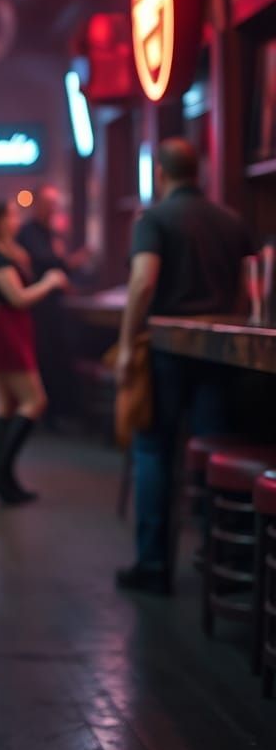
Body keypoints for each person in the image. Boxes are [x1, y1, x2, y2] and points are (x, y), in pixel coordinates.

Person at [114, 139, 254, 595]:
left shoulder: (154, 219)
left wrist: (124, 343)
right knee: (214, 455)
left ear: (161, 174)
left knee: (155, 452)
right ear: (200, 172)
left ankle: (154, 566)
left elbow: (142, 282)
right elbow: (250, 290)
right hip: (220, 355)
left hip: (167, 351)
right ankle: (225, 566)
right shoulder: (231, 221)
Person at [0, 200, 68, 505]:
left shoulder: (1, 251)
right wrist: (50, 282)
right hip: (9, 332)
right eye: (11, 214)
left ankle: (4, 479)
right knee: (35, 401)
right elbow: (19, 298)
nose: (16, 219)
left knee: (7, 404)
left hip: (10, 330)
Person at [16, 186, 89, 430]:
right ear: (38, 204)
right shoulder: (29, 233)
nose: (53, 209)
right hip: (37, 308)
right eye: (50, 203)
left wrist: (67, 264)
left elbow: (56, 266)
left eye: (55, 204)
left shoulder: (50, 233)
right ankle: (45, 416)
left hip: (52, 308)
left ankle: (57, 413)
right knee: (43, 360)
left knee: (57, 358)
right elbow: (45, 264)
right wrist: (66, 262)